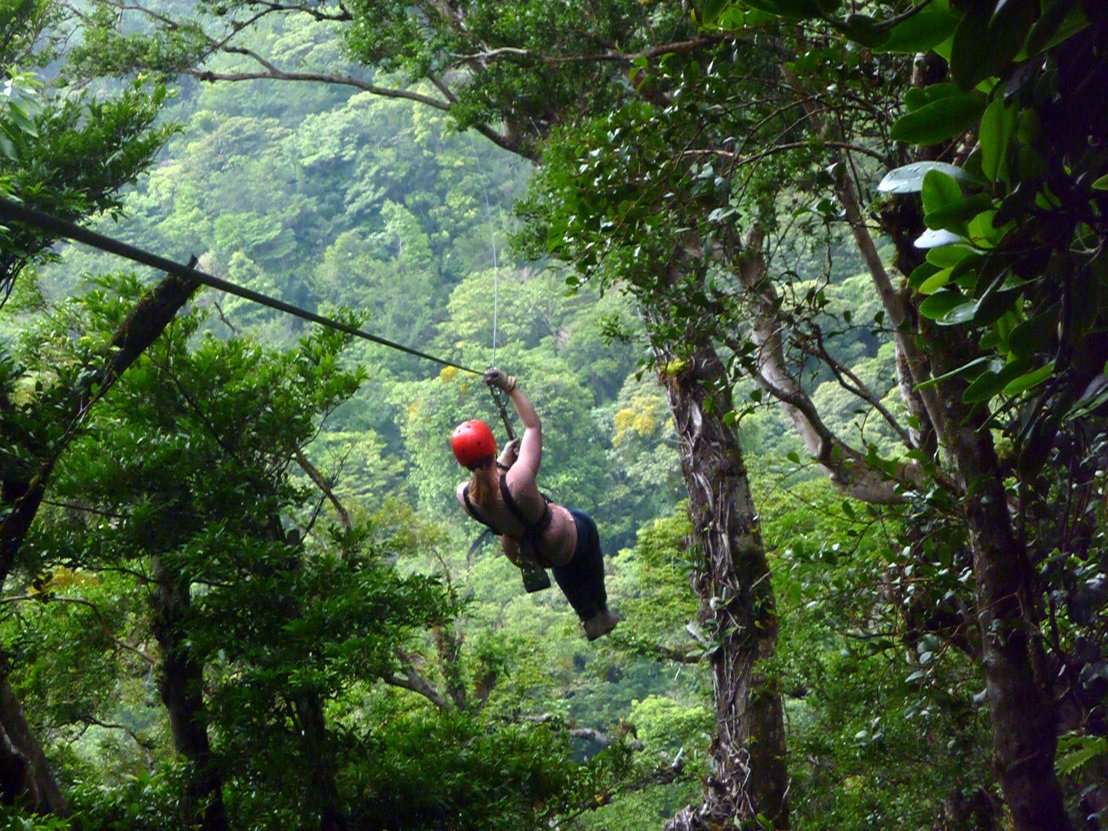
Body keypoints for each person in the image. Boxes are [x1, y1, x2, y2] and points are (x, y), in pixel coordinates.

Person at [451, 369, 619, 640]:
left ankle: (588, 617)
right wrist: (510, 387)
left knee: (562, 563)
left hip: (523, 551)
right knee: (585, 530)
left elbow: (489, 487)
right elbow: (532, 427)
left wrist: (503, 463)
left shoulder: (466, 497)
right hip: (556, 535)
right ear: (492, 448)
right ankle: (601, 612)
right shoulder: (518, 479)